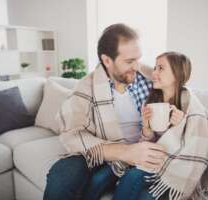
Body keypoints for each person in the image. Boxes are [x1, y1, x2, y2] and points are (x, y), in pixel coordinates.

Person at [43, 23, 174, 200]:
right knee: (61, 177)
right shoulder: (86, 87)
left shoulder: (151, 79)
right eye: (129, 61)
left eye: (138, 58)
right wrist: (124, 152)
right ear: (106, 60)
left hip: (141, 151)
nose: (137, 66)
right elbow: (72, 135)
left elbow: (181, 93)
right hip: (102, 151)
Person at [115, 52, 208, 200]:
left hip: (175, 162)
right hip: (155, 160)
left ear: (177, 74)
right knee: (130, 176)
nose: (154, 73)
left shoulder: (188, 102)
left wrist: (179, 127)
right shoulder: (152, 100)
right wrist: (146, 128)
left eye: (161, 68)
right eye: (154, 68)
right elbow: (150, 143)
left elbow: (194, 140)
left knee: (142, 190)